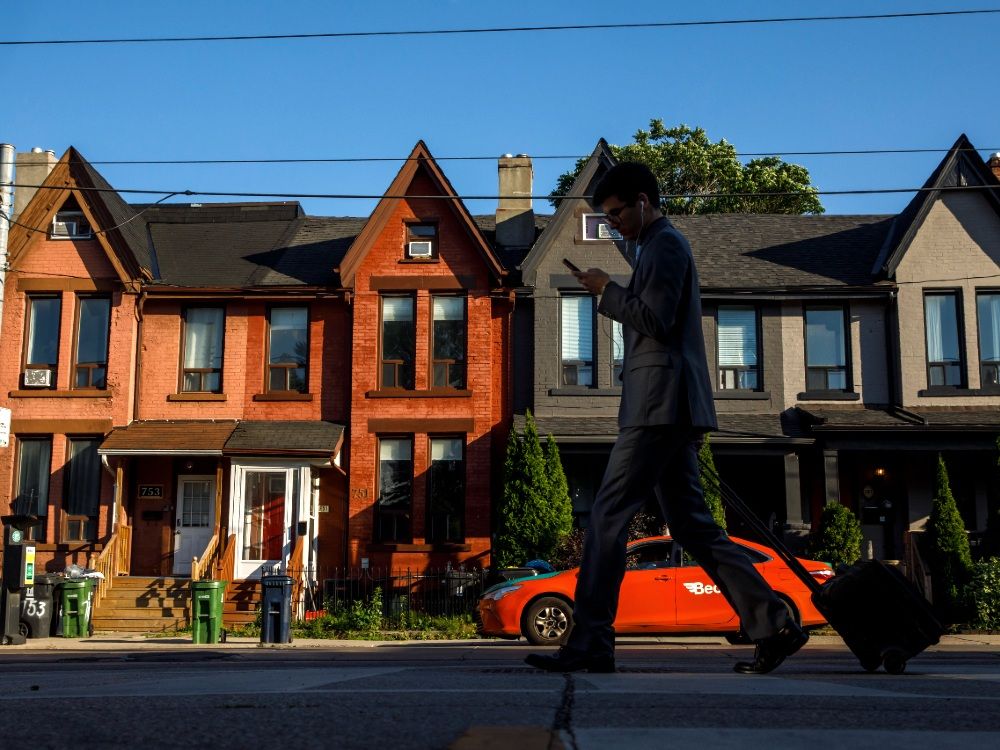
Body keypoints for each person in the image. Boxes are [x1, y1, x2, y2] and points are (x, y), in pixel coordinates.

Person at [525, 162, 807, 675]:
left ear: (643, 200)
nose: (614, 225)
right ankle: (774, 623)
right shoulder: (654, 248)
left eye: (616, 214)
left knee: (608, 517)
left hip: (660, 405)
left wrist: (605, 291)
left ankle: (590, 643)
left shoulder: (667, 246)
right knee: (693, 526)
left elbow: (655, 318)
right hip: (665, 405)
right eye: (606, 218)